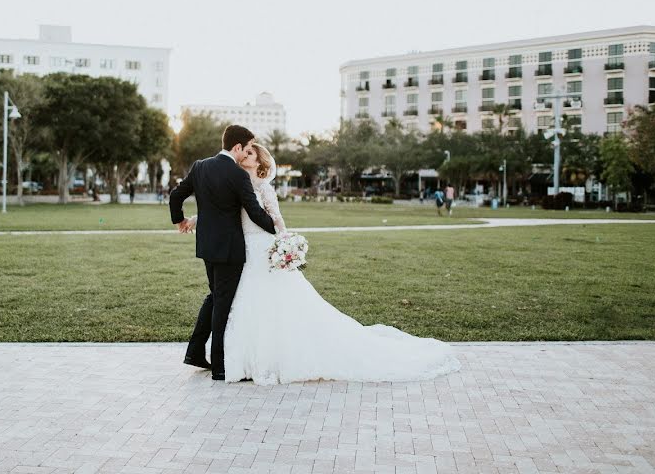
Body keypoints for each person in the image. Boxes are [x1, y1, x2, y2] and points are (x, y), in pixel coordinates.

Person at [187, 143, 459, 385]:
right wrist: (195, 221)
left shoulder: (264, 189)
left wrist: (284, 243)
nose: (243, 154)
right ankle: (240, 360)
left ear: (259, 162)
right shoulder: (236, 182)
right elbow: (219, 212)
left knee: (270, 303)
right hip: (242, 252)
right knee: (241, 303)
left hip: (262, 249)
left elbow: (277, 218)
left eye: (250, 153)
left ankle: (266, 359)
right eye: (244, 151)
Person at [169, 124, 276, 380]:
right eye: (248, 148)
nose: (248, 152)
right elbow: (253, 211)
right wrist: (276, 229)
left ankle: (195, 352)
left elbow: (176, 195)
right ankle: (219, 366)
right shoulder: (238, 175)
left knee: (215, 297)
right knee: (222, 304)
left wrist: (180, 221)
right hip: (230, 250)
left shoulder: (200, 166)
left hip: (207, 245)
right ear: (237, 147)